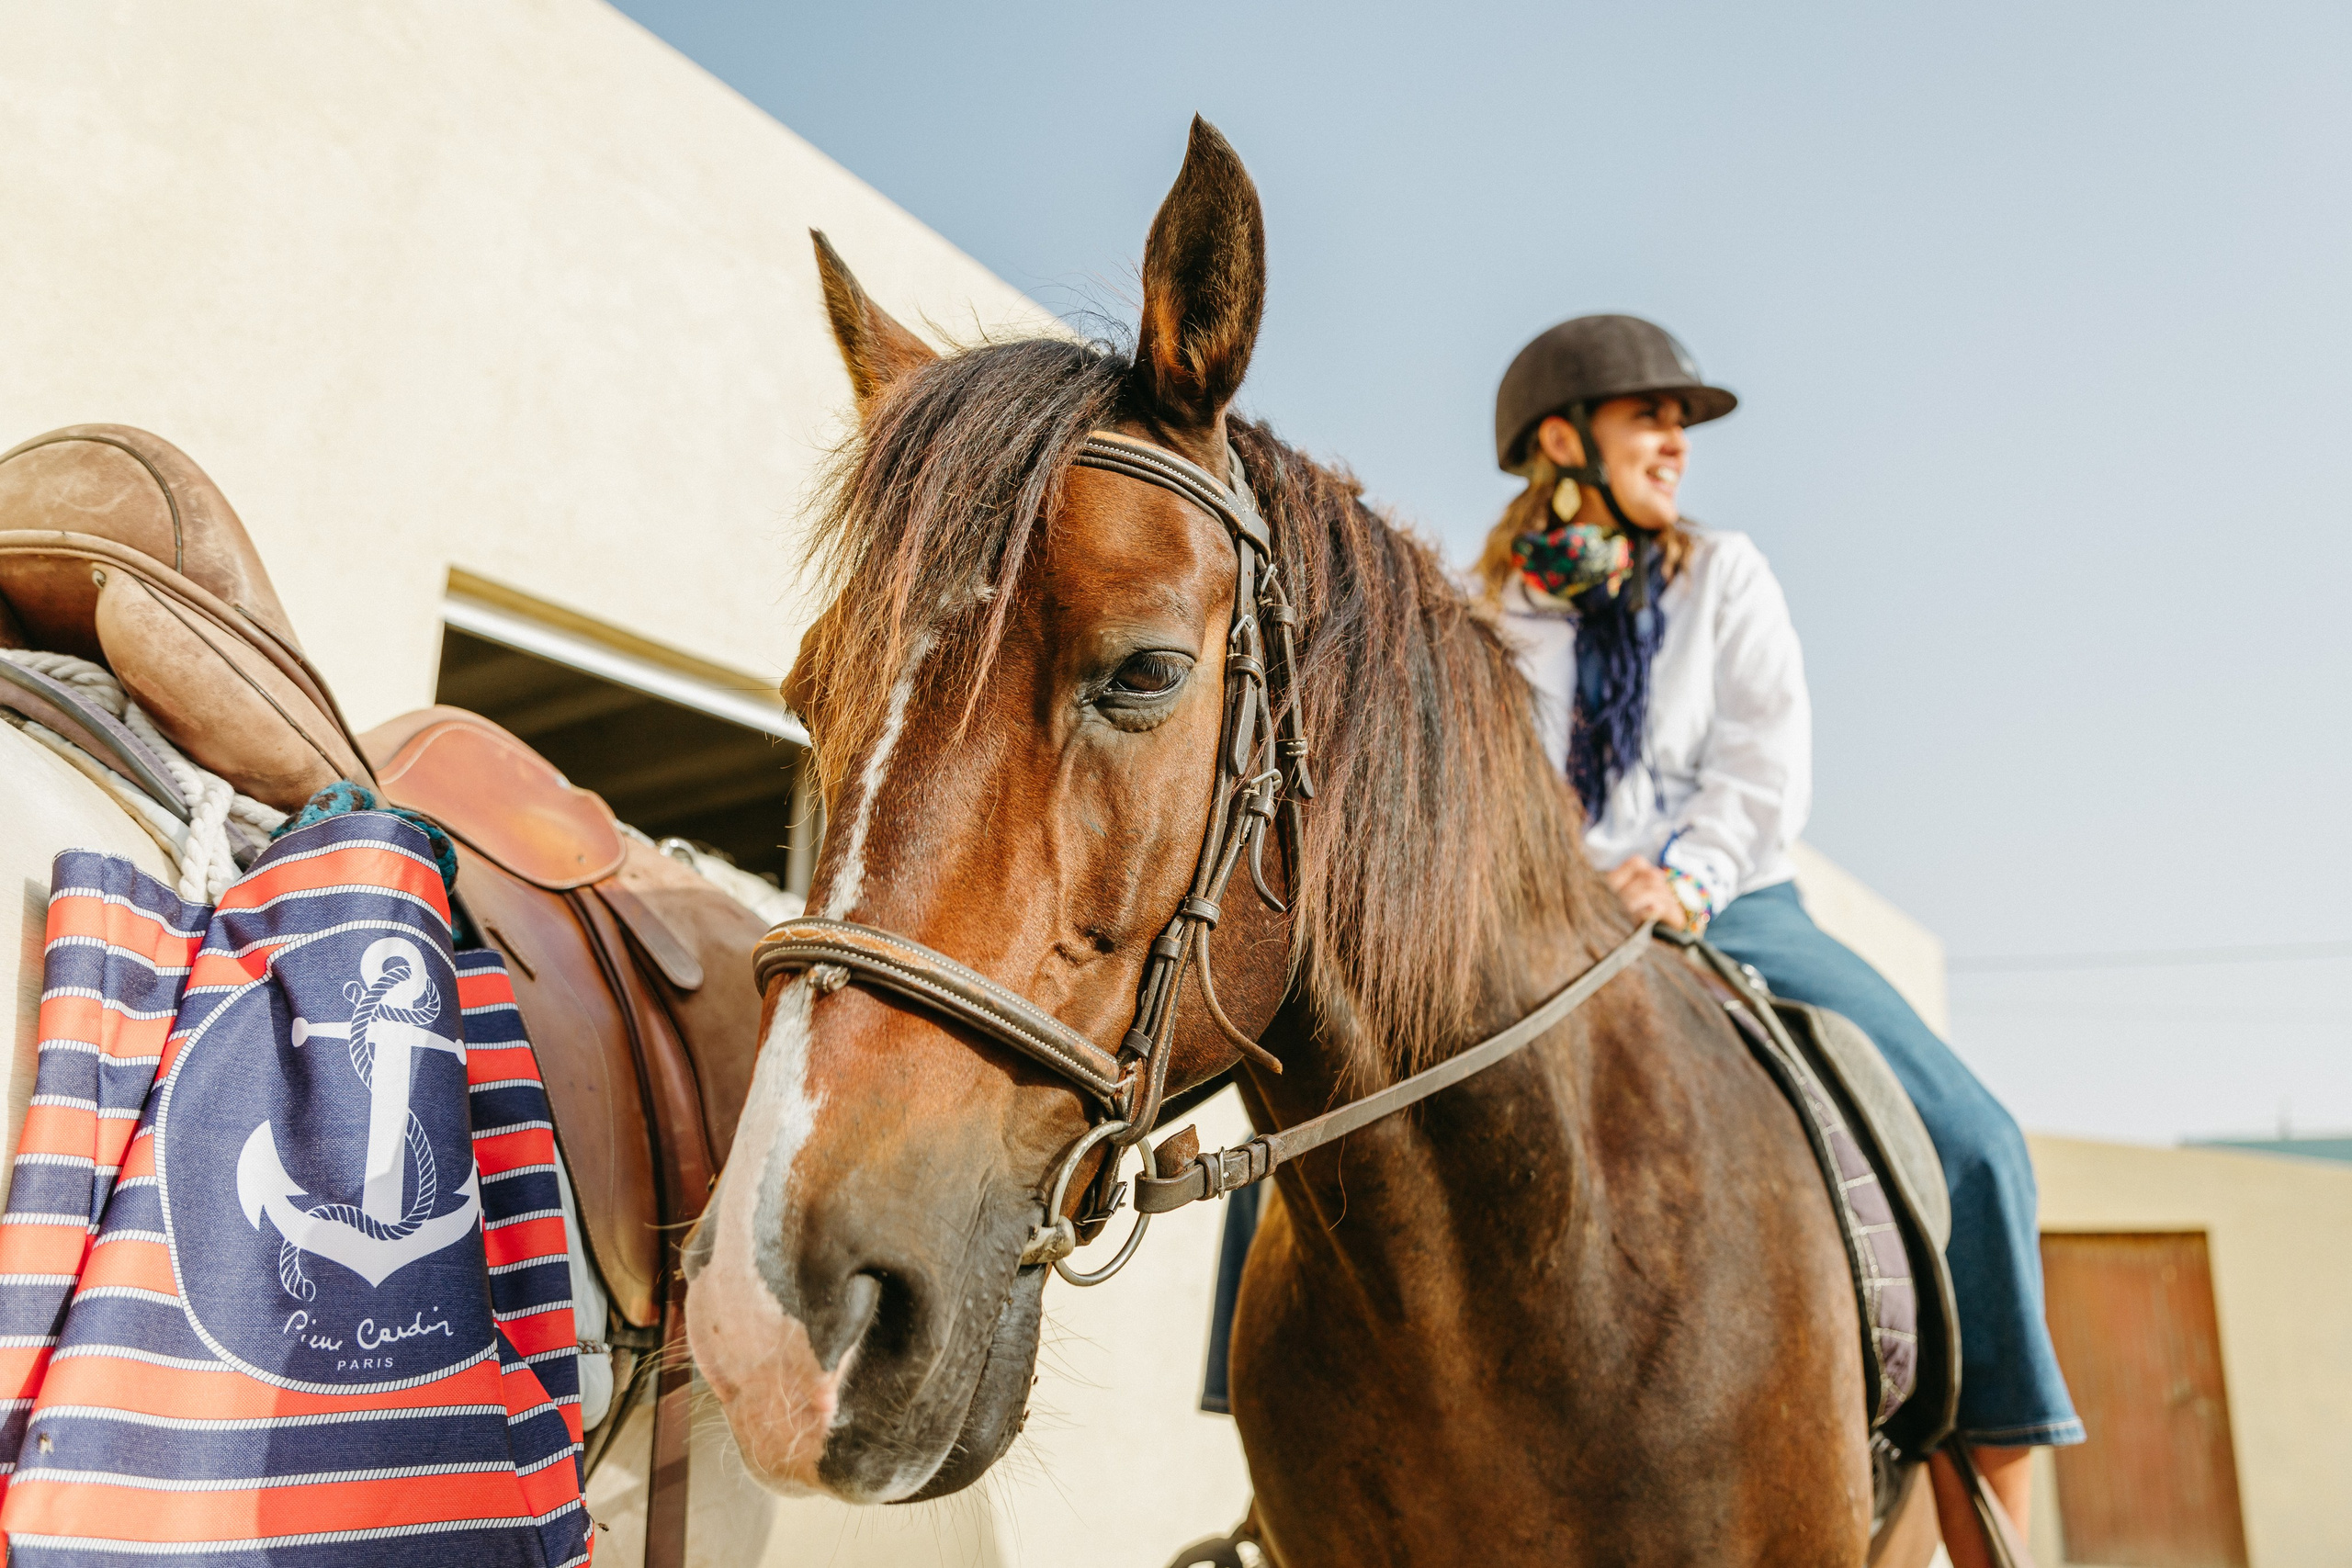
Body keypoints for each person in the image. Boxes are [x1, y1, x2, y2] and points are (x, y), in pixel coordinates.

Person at [1481, 314, 2081, 1556]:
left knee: (1975, 1144)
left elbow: (1762, 766)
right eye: (1649, 416)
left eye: (1680, 425)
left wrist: (1683, 884)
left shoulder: (1724, 575)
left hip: (1730, 904)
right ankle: (1277, 1472)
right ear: (1561, 437)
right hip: (1545, 927)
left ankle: (1993, 1516)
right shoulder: (1480, 612)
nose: (1675, 444)